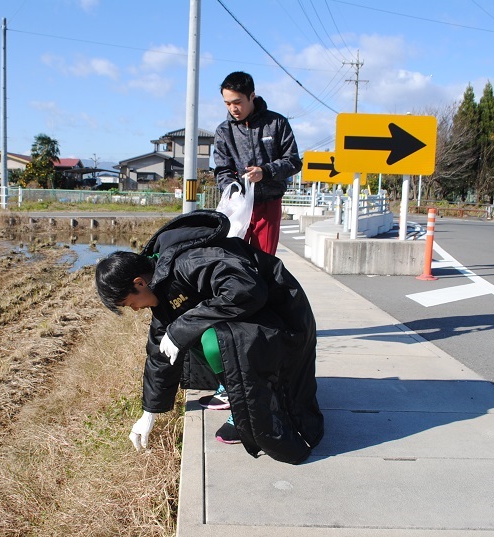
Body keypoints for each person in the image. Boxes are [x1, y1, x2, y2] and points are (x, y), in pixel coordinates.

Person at [95, 210, 324, 465]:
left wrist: (182, 327)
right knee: (177, 336)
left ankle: (242, 405)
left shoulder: (190, 261)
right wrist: (149, 413)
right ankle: (232, 386)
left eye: (130, 303)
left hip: (283, 320)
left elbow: (247, 289)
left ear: (139, 283)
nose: (135, 310)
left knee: (208, 340)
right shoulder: (160, 288)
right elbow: (159, 354)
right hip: (258, 324)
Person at [214, 71, 302, 257]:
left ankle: (265, 287)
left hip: (268, 203)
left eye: (237, 102)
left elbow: (293, 161)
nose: (232, 108)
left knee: (264, 262)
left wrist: (265, 172)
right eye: (227, 103)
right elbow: (222, 169)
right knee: (234, 260)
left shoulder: (276, 123)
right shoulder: (224, 131)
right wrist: (233, 190)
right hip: (238, 206)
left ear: (252, 96)